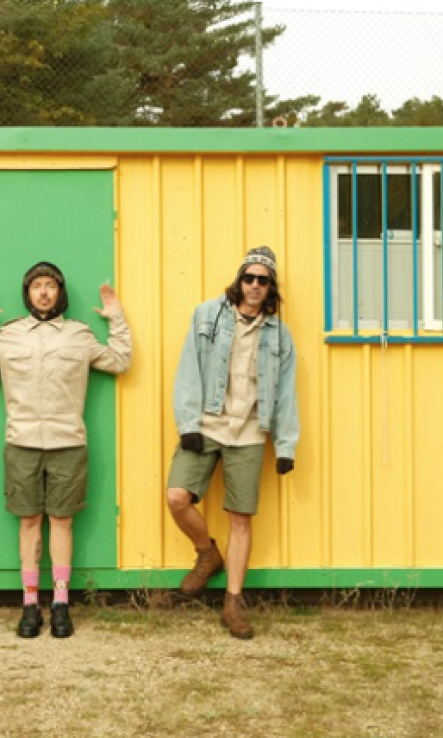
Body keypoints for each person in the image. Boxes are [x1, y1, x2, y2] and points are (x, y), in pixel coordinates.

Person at [0, 262, 131, 639]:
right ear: (27, 293)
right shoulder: (10, 335)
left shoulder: (78, 335)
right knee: (28, 521)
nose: (43, 292)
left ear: (60, 292)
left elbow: (120, 360)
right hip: (21, 443)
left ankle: (60, 604)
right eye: (36, 286)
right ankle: (29, 604)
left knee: (62, 521)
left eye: (50, 286)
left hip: (68, 442)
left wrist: (116, 318)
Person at [168, 246, 299, 640]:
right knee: (177, 497)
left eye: (263, 280)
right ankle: (207, 554)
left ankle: (233, 602)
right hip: (206, 424)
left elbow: (286, 393)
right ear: (239, 281)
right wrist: (188, 423)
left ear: (270, 287)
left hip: (249, 431)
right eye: (249, 278)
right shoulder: (207, 315)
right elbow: (188, 368)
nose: (255, 285)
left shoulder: (279, 335)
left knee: (241, 518)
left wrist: (286, 445)